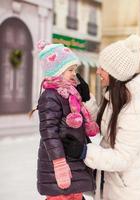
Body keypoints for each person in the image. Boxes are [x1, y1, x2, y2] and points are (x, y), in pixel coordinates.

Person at [63, 34, 140, 200]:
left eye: (102, 68)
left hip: (126, 192)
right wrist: (87, 99)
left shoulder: (136, 107)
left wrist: (84, 151)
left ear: (115, 73)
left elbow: (122, 158)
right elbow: (105, 124)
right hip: (110, 183)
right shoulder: (117, 96)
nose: (98, 71)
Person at [34, 41, 99, 200]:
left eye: (75, 69)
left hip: (73, 159)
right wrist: (59, 163)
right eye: (70, 70)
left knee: (75, 195)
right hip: (58, 164)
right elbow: (49, 133)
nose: (74, 74)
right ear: (56, 71)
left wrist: (85, 98)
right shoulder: (50, 96)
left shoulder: (71, 95)